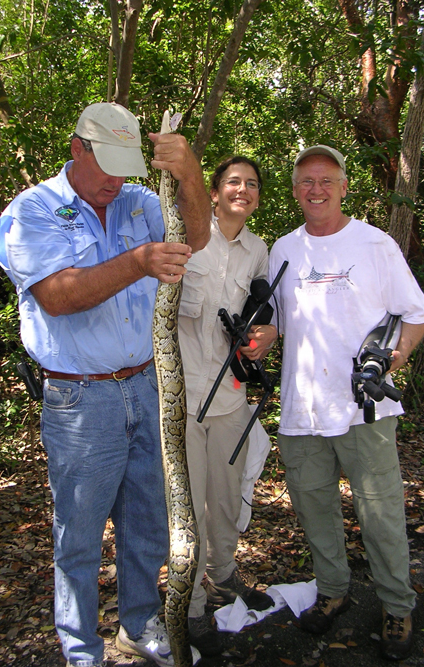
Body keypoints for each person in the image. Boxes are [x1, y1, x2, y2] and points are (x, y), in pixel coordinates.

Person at [0, 102, 211, 667]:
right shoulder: (33, 211)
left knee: (147, 521)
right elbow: (59, 296)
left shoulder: (141, 202)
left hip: (144, 385)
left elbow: (199, 236)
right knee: (80, 534)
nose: (117, 181)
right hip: (79, 399)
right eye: (106, 164)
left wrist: (189, 174)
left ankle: (140, 625)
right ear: (77, 149)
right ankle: (81, 648)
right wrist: (138, 261)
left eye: (126, 167)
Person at [268, 145, 424, 661]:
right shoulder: (282, 250)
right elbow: (276, 322)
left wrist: (388, 364)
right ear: (295, 191)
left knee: (380, 514)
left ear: (343, 187)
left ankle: (397, 606)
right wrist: (257, 340)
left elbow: (417, 313)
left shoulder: (374, 243)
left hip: (365, 410)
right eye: (306, 181)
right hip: (301, 409)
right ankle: (333, 590)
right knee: (315, 509)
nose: (316, 189)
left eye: (326, 180)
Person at [178, 157, 277, 656]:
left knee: (228, 492)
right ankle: (191, 606)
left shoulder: (259, 251)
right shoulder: (186, 235)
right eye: (233, 182)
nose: (243, 190)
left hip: (232, 397)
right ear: (214, 192)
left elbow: (265, 316)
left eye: (252, 184)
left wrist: (263, 338)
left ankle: (223, 579)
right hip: (181, 398)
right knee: (191, 505)